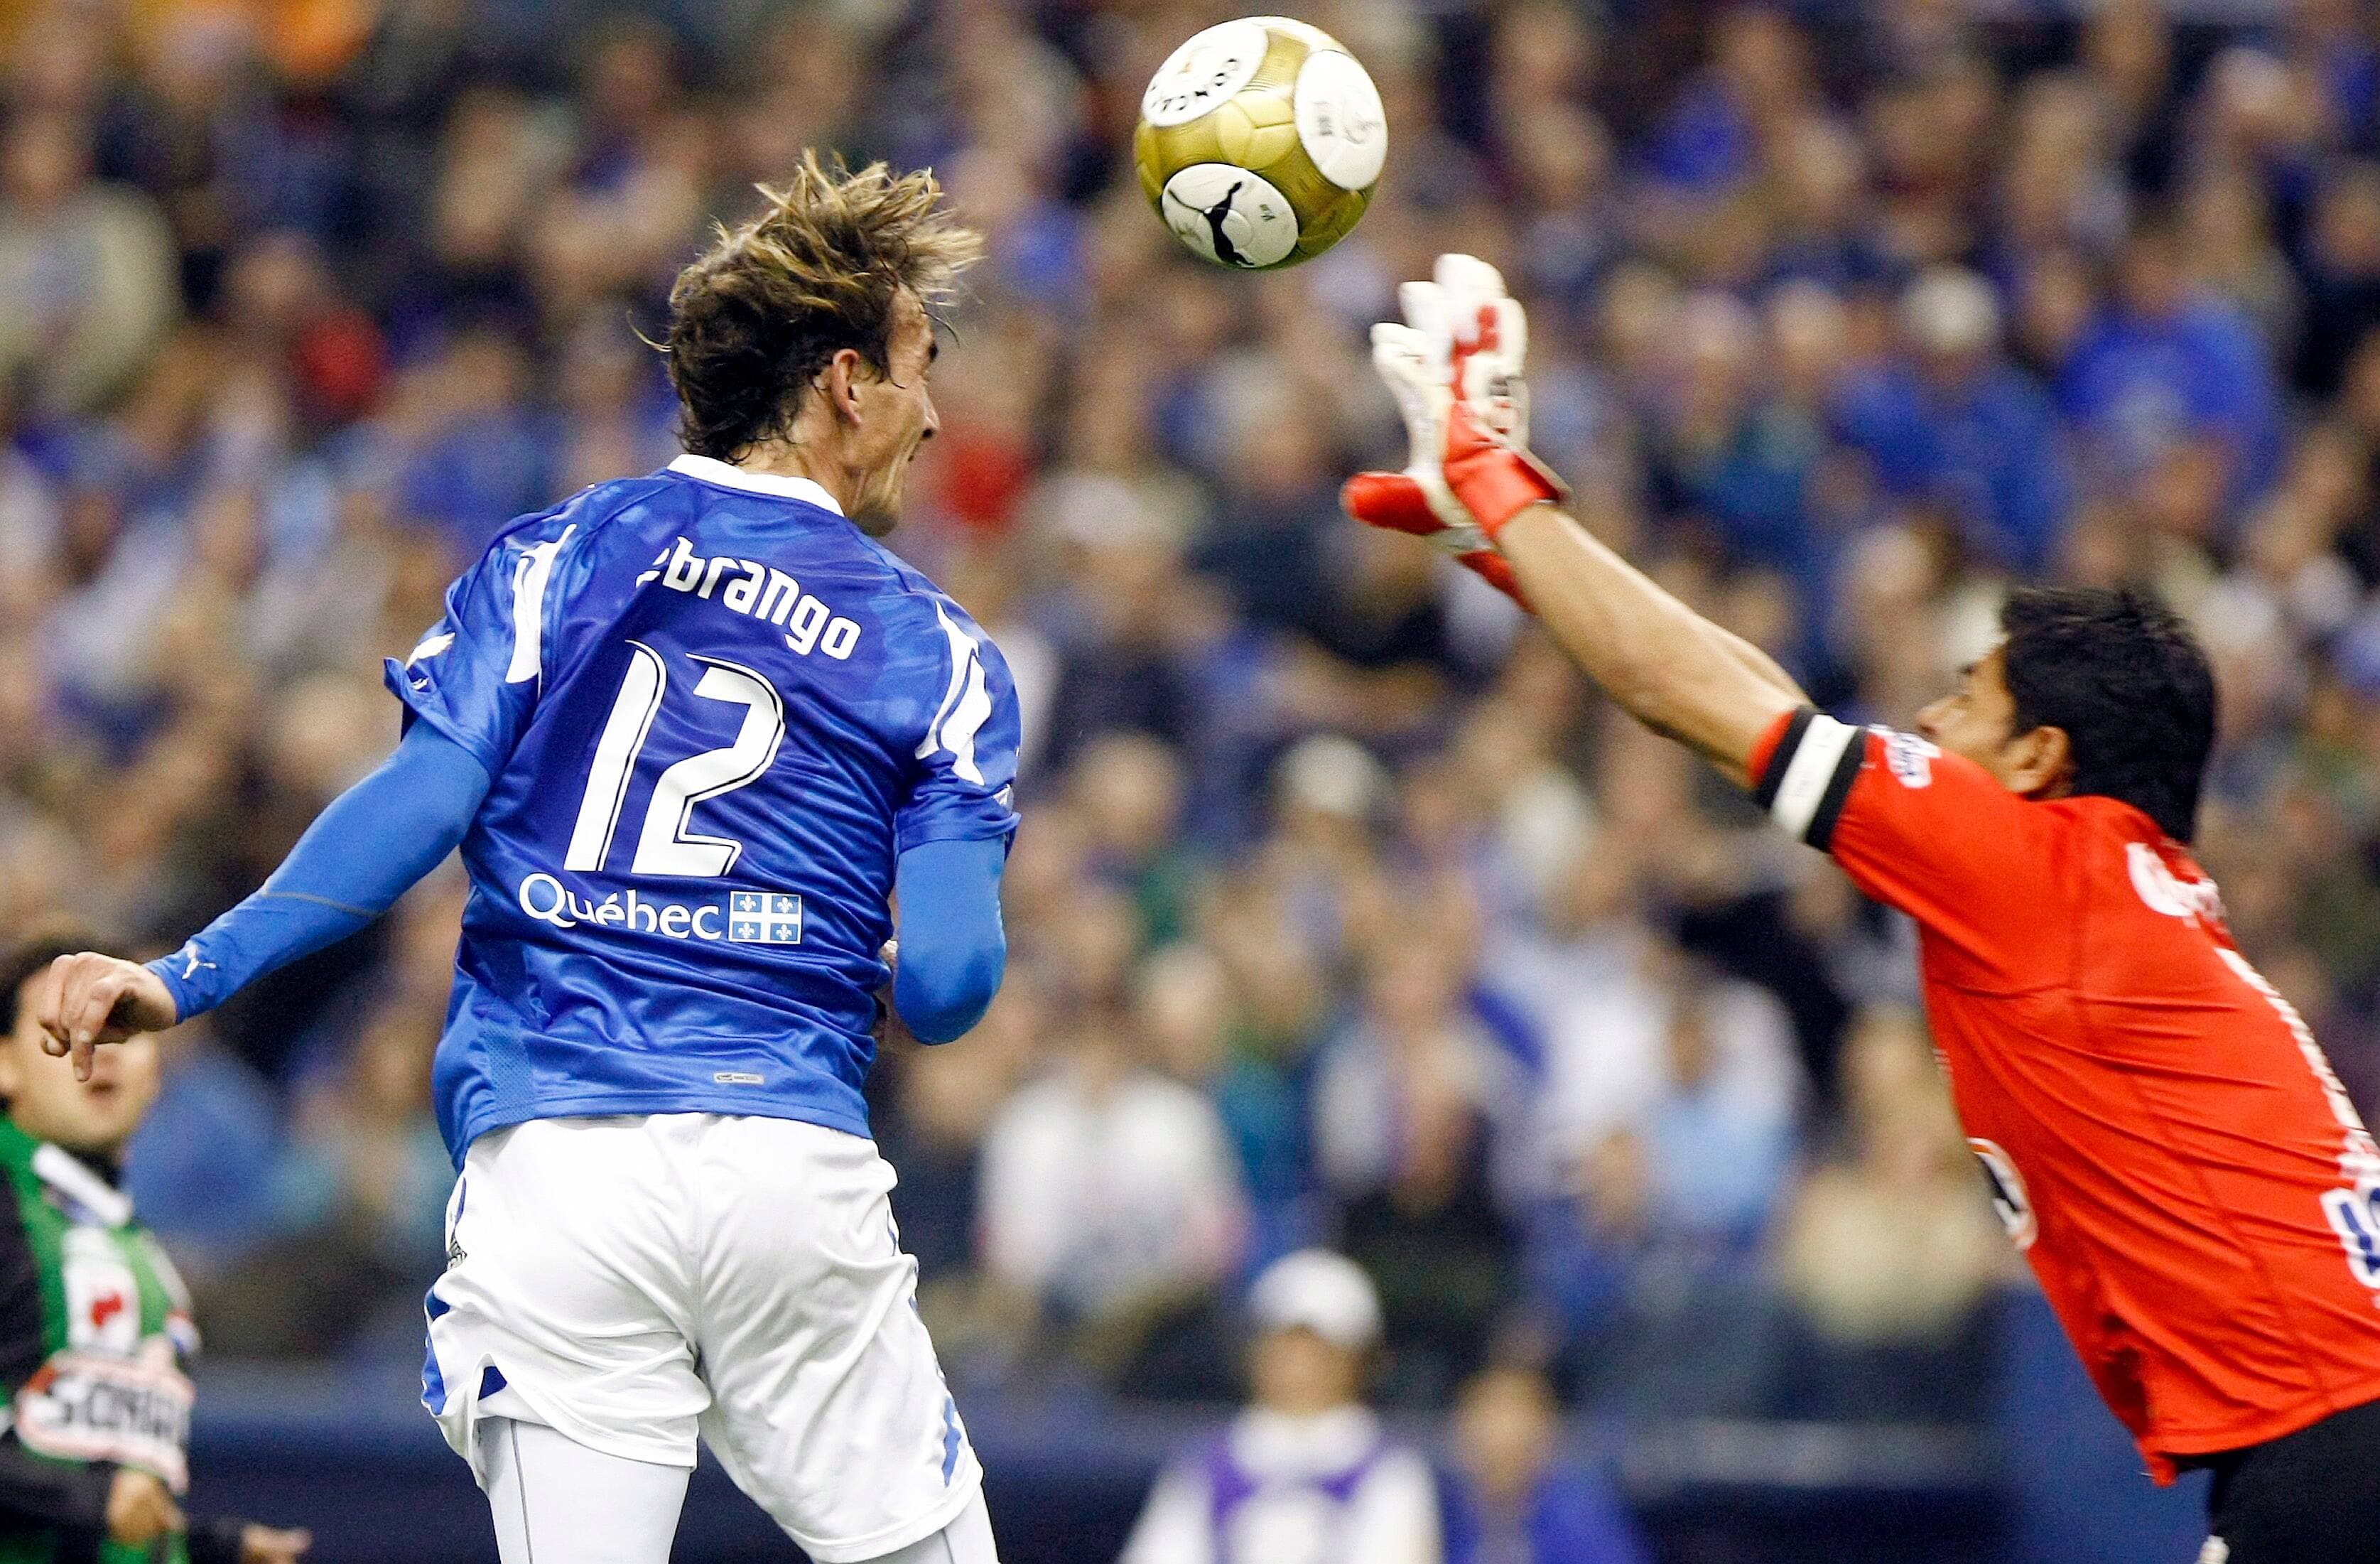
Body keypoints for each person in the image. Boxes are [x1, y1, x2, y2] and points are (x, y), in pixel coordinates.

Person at [36, 154, 1019, 1564]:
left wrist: (183, 973)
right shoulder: (942, 652)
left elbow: (418, 803)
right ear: (848, 381)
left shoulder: (563, 552)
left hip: (558, 1167)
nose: (936, 413)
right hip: (782, 1166)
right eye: (925, 366)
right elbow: (947, 985)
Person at [1345, 254, 2380, 1564]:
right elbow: (1732, 684)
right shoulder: (2112, 895)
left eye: (1967, 697)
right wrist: (1521, 555)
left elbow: (1698, 699)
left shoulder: (2033, 869)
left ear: (2040, 759)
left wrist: (1503, 487)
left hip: (2329, 1451)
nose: (1924, 722)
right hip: (2325, 1435)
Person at [0, 929, 311, 1564]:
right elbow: (93, 1492)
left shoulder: (138, 1249)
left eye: (124, 1027)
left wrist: (205, 1548)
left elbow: (104, 1480)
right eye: (64, 1029)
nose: (101, 1049)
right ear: (3, 1062)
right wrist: (85, 1499)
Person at [1117, 1249, 1442, 1564]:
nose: (1300, 1365)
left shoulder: (1391, 1470)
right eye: (1287, 1344)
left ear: (1359, 1360)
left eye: (1320, 1349)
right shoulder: (1205, 1466)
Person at [1440, 1365, 1646, 1564]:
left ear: (1546, 1439)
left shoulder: (1582, 1522)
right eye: (1483, 1430)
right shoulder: (1442, 1518)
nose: (1500, 1441)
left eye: (1517, 1449)